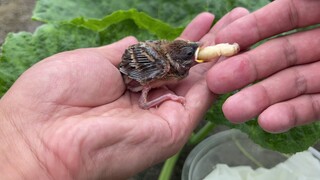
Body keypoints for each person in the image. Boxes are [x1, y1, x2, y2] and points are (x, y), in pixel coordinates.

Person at [0, 0, 318, 179]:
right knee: (150, 92)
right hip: (137, 75)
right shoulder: (162, 67)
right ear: (178, 63)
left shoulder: (178, 61)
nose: (196, 62)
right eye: (191, 61)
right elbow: (135, 80)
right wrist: (165, 94)